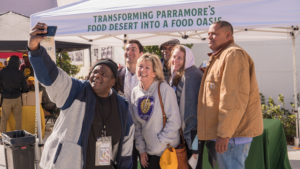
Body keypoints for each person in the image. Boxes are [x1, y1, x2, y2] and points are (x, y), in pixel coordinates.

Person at [28, 22, 134, 169]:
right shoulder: (76, 91)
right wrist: (35, 50)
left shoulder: (122, 106)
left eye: (103, 74)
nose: (97, 76)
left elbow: (126, 149)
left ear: (113, 81)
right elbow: (51, 76)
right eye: (94, 72)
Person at [197, 20, 263, 169]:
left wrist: (224, 134)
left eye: (214, 33)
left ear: (228, 35)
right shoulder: (221, 56)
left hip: (231, 137)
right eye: (208, 34)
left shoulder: (233, 55)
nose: (210, 37)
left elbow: (233, 98)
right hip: (225, 136)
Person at [130, 53, 181, 169]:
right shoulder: (135, 92)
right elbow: (137, 125)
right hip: (147, 156)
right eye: (140, 66)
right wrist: (141, 150)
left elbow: (174, 121)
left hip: (166, 154)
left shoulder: (164, 90)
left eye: (147, 67)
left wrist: (158, 143)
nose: (142, 70)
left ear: (155, 72)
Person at [168, 45, 203, 158]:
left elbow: (189, 110)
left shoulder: (190, 76)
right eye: (174, 57)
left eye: (180, 58)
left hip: (191, 133)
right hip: (184, 131)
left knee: (192, 163)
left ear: (187, 59)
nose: (175, 61)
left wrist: (188, 137)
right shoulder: (179, 74)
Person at [114, 39, 143, 169]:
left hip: (143, 130)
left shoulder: (147, 75)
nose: (129, 52)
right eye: (127, 49)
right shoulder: (117, 75)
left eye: (133, 49)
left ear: (141, 54)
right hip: (124, 129)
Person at [0, 55, 28, 133]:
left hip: (6, 98)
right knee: (18, 119)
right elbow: (25, 88)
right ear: (17, 63)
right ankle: (18, 136)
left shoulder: (2, 71)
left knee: (4, 118)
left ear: (9, 62)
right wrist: (22, 91)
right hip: (17, 98)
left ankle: (2, 137)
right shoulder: (20, 73)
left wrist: (2, 91)